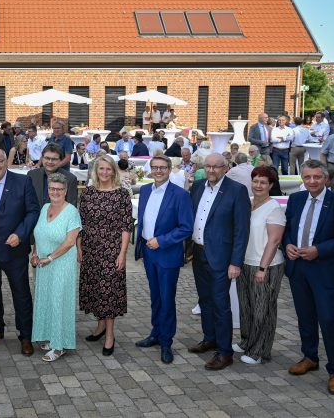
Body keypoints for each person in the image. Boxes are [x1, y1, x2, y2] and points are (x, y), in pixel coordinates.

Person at [282, 160, 334, 394]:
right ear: (302, 179)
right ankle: (309, 357)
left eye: (317, 177)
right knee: (305, 317)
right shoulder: (295, 200)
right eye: (307, 177)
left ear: (326, 178)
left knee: (327, 319)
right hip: (298, 268)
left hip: (324, 269)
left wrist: (320, 250)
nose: (312, 181)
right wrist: (287, 245)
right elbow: (287, 230)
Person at [188, 153, 250, 371]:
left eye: (216, 167)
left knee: (221, 304)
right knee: (205, 299)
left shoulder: (237, 190)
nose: (212, 170)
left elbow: (242, 231)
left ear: (226, 168)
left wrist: (236, 262)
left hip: (222, 258)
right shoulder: (196, 187)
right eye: (208, 166)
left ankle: (225, 351)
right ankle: (209, 338)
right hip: (199, 253)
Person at [0, 149, 40, 356]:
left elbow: (33, 211)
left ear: (6, 161)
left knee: (21, 294)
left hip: (14, 250)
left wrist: (20, 234)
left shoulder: (22, 182)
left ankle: (26, 336)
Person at [133, 156, 194, 364]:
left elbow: (186, 227)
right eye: (155, 167)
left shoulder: (180, 195)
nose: (158, 171)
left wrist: (162, 240)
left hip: (166, 253)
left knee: (167, 298)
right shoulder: (145, 191)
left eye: (162, 168)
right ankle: (156, 333)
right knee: (156, 296)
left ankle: (167, 342)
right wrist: (141, 246)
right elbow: (142, 221)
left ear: (169, 169)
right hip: (149, 253)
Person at [79, 155, 133, 356]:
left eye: (108, 169)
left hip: (112, 250)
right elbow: (81, 222)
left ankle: (110, 335)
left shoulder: (121, 194)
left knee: (109, 292)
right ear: (96, 170)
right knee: (95, 289)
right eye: (101, 169)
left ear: (114, 171)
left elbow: (126, 226)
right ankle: (100, 327)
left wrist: (122, 253)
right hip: (91, 249)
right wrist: (79, 247)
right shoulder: (89, 193)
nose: (104, 173)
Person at [233, 166, 286, 365]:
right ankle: (247, 341)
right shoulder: (248, 203)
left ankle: (259, 350)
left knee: (263, 309)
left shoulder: (274, 209)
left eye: (263, 182)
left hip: (266, 265)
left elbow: (274, 241)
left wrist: (263, 268)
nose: (258, 185)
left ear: (271, 185)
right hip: (245, 262)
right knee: (246, 306)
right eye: (255, 181)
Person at [31, 173, 82, 362]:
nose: (55, 192)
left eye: (59, 189)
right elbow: (39, 233)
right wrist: (35, 253)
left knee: (59, 302)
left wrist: (50, 258)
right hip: (44, 263)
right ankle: (51, 337)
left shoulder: (72, 212)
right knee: (46, 300)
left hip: (61, 264)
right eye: (52, 188)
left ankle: (59, 345)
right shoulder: (45, 207)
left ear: (66, 191)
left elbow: (70, 242)